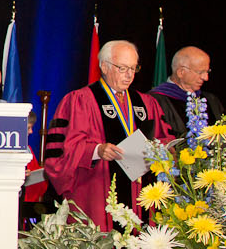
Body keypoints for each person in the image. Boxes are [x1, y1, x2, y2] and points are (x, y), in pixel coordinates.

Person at [43, 39, 170, 231]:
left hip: (141, 193)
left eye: (133, 68)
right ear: (104, 66)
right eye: (122, 68)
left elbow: (165, 139)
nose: (129, 75)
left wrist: (159, 151)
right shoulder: (80, 101)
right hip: (96, 194)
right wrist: (96, 150)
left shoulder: (147, 103)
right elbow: (61, 151)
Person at [148, 46, 219, 138]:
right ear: (181, 72)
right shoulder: (153, 101)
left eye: (207, 72)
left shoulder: (211, 100)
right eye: (200, 72)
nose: (206, 78)